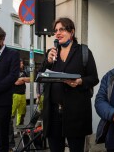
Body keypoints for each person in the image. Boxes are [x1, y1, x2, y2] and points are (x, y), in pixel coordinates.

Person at [42, 17, 99, 152]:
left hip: (76, 113)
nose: (57, 33)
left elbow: (94, 78)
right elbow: (41, 76)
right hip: (53, 113)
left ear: (71, 32)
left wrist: (80, 82)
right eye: (56, 30)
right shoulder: (51, 53)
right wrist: (48, 62)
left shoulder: (83, 52)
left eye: (62, 29)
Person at [9, 58, 30, 149]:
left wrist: (22, 79)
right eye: (20, 63)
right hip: (15, 95)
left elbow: (29, 79)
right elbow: (16, 82)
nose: (22, 64)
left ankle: (19, 131)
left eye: (22, 63)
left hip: (22, 95)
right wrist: (23, 79)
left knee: (22, 114)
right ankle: (10, 136)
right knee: (11, 116)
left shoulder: (24, 72)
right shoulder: (13, 71)